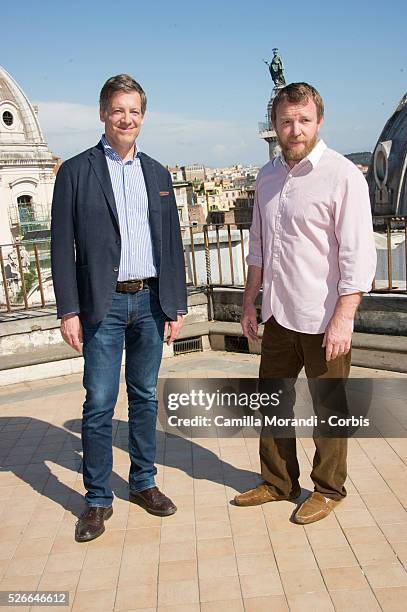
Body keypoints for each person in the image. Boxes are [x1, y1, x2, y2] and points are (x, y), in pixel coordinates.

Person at [51, 74, 187, 542]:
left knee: (145, 398)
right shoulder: (75, 171)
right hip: (101, 307)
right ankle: (96, 499)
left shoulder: (157, 172)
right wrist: (68, 310)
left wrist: (175, 304)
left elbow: (171, 243)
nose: (126, 118)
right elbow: (60, 247)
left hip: (151, 301)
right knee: (100, 404)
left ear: (142, 117)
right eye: (118, 110)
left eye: (134, 111)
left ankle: (144, 482)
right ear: (103, 114)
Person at [235, 82, 376, 524]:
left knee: (329, 407)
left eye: (304, 120)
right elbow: (259, 244)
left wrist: (344, 318)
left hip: (324, 317)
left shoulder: (343, 176)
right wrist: (248, 303)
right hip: (278, 313)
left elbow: (358, 254)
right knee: (272, 402)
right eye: (286, 121)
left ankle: (330, 490)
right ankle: (279, 482)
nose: (295, 129)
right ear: (275, 125)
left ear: (319, 122)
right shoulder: (267, 176)